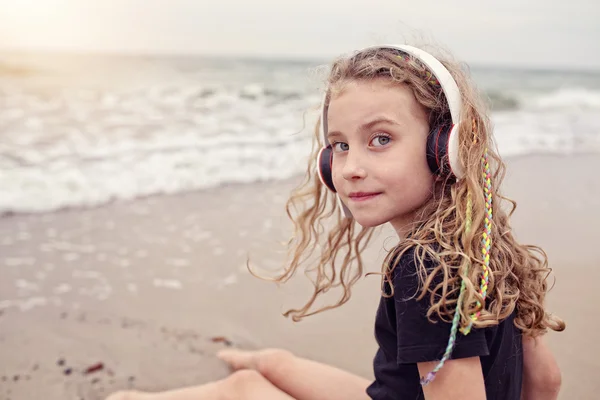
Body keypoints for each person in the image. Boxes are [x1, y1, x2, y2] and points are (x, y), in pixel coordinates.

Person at [106, 44, 565, 400]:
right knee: (271, 369)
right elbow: (544, 380)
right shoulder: (486, 243)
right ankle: (267, 361)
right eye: (340, 145)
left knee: (242, 391)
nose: (349, 167)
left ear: (444, 147)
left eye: (380, 139)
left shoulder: (425, 267)